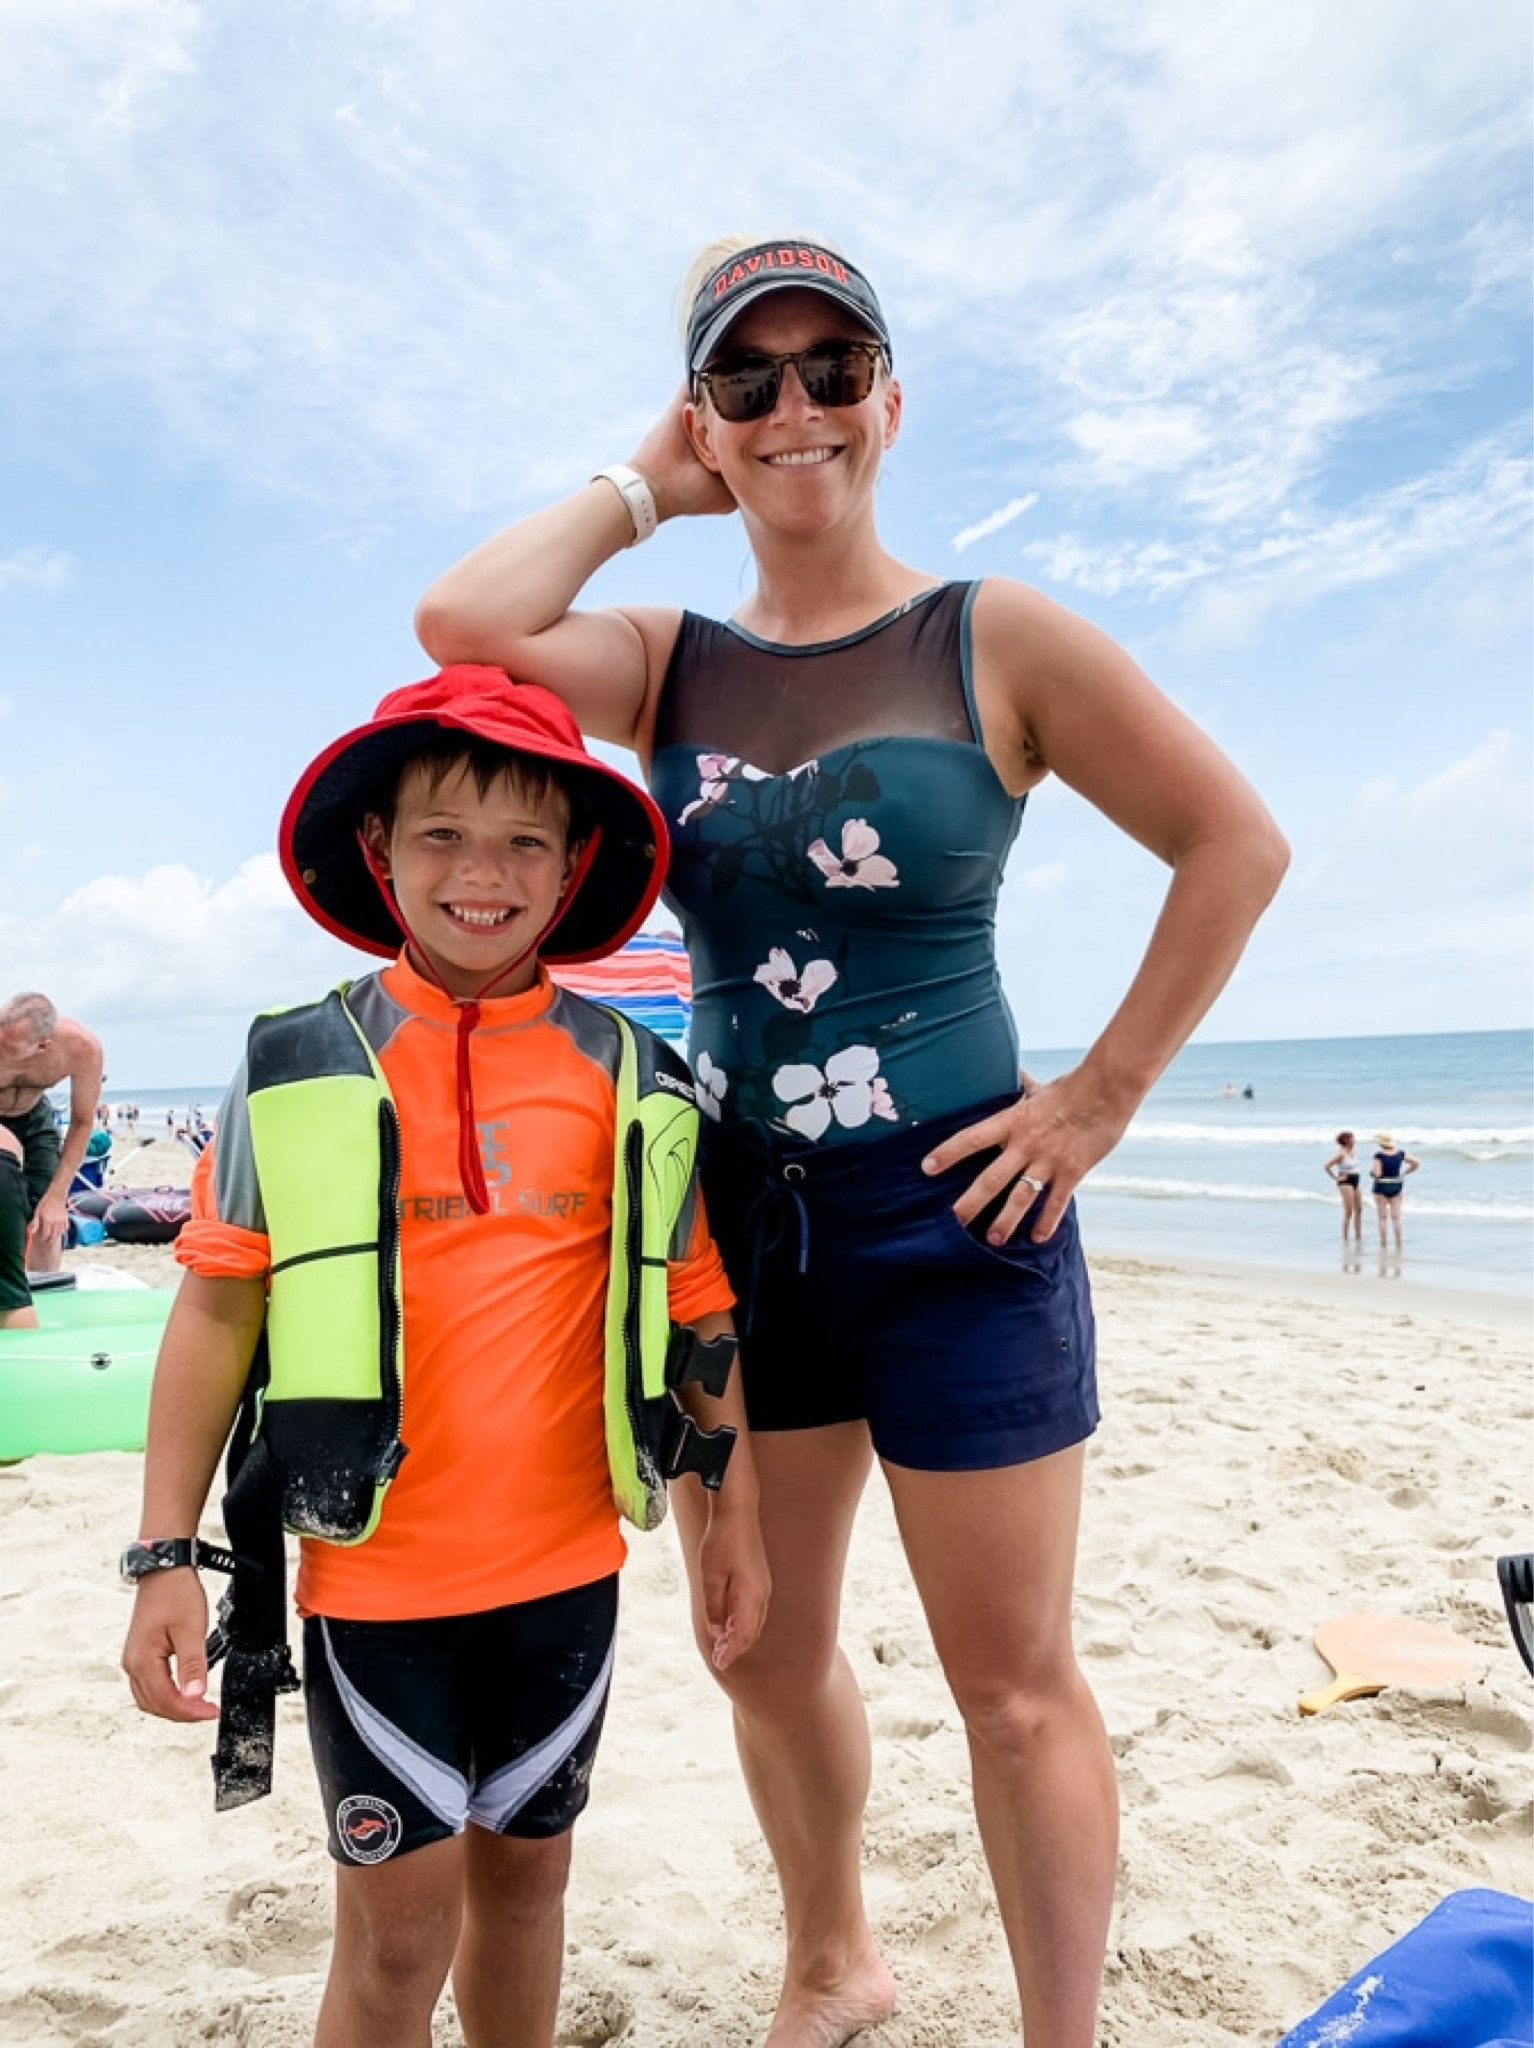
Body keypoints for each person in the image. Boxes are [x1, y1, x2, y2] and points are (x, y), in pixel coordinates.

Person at [414, 234, 1289, 2048]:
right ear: (705, 418)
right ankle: (832, 1952)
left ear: (890, 399)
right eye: (745, 380)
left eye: (831, 369)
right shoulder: (667, 662)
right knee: (754, 1640)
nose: (792, 406)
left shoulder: (993, 635)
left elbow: (1232, 841)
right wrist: (636, 489)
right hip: (733, 1218)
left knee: (1012, 1688)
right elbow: (465, 626)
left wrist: (1098, 1097)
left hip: (962, 1210)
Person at [121, 668, 769, 2048]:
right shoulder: (298, 1062)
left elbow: (697, 1314)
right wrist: (165, 1554)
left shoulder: (631, 1074)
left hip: (567, 1578)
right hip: (375, 1585)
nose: (484, 874)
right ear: (377, 847)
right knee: (398, 1936)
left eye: (526, 839)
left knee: (530, 1892)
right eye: (443, 834)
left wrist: (737, 1526)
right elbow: (218, 1311)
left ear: (575, 864)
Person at [0, 993, 105, 1328]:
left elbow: (82, 1123)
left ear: (42, 1046)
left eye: (9, 1047)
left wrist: (57, 1197)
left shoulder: (81, 1048)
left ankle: (42, 1303)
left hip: (34, 1119)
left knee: (47, 1220)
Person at [1370, 1131, 1420, 1252]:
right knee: (1396, 1218)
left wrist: (1372, 1173)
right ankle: (1399, 1243)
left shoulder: (1379, 1156)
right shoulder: (1400, 1154)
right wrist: (1405, 1173)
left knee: (1382, 1218)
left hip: (1381, 1186)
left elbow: (1378, 1174)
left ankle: (1383, 1244)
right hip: (1396, 1186)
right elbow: (1416, 1163)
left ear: (1381, 1144)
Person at [1324, 1130, 1364, 1246]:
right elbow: (1326, 1166)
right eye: (1352, 1138)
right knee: (1348, 1211)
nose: (1354, 1140)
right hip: (1346, 1182)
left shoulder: (1352, 1151)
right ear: (1346, 1140)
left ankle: (1358, 1237)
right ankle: (1345, 1238)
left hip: (1356, 1180)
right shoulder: (1341, 1153)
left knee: (1359, 1209)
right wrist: (1335, 1178)